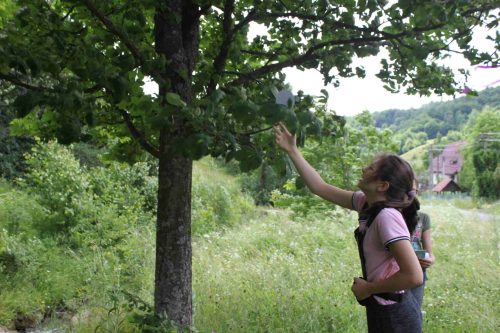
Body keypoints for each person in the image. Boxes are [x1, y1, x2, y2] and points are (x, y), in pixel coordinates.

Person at [274, 123, 423, 333]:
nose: (364, 169)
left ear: (382, 186)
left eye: (371, 168)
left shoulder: (387, 217)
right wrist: (292, 150)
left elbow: (414, 276)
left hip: (395, 314)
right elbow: (320, 187)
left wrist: (369, 288)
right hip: (383, 306)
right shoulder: (367, 203)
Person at [410, 187, 435, 310]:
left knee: (415, 307)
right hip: (394, 268)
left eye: (413, 190)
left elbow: (429, 252)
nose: (410, 193)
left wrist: (430, 260)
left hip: (418, 268)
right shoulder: (391, 214)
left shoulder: (423, 217)